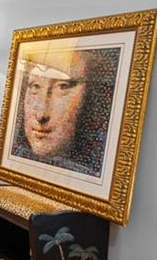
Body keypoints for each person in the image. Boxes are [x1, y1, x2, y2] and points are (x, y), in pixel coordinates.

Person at [11, 47, 120, 177]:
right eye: (35, 86)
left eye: (63, 86)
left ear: (91, 96)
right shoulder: (16, 158)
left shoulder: (96, 172)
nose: (41, 114)